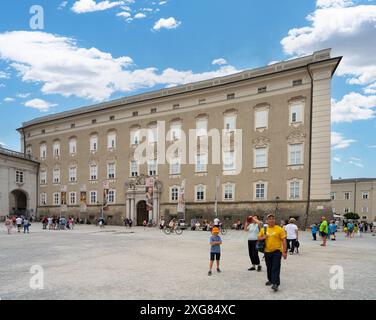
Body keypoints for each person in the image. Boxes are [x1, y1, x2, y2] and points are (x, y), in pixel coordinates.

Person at [258, 213, 287, 292]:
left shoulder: (279, 229)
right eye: (269, 219)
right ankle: (270, 280)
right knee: (269, 267)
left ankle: (275, 284)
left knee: (275, 267)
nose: (271, 220)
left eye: (272, 218)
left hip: (277, 251)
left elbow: (284, 240)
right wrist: (262, 237)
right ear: (267, 221)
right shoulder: (264, 229)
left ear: (275, 220)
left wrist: (284, 251)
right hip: (267, 252)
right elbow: (259, 237)